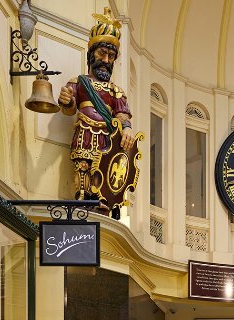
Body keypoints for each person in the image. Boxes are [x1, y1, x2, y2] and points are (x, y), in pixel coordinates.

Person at [57, 8, 138, 217]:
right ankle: (82, 199)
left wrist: (127, 129)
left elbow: (122, 114)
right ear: (92, 53)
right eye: (102, 53)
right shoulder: (78, 82)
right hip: (84, 131)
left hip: (106, 138)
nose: (107, 60)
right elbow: (69, 108)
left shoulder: (115, 90)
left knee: (101, 169)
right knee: (83, 167)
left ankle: (103, 201)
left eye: (111, 56)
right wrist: (67, 101)